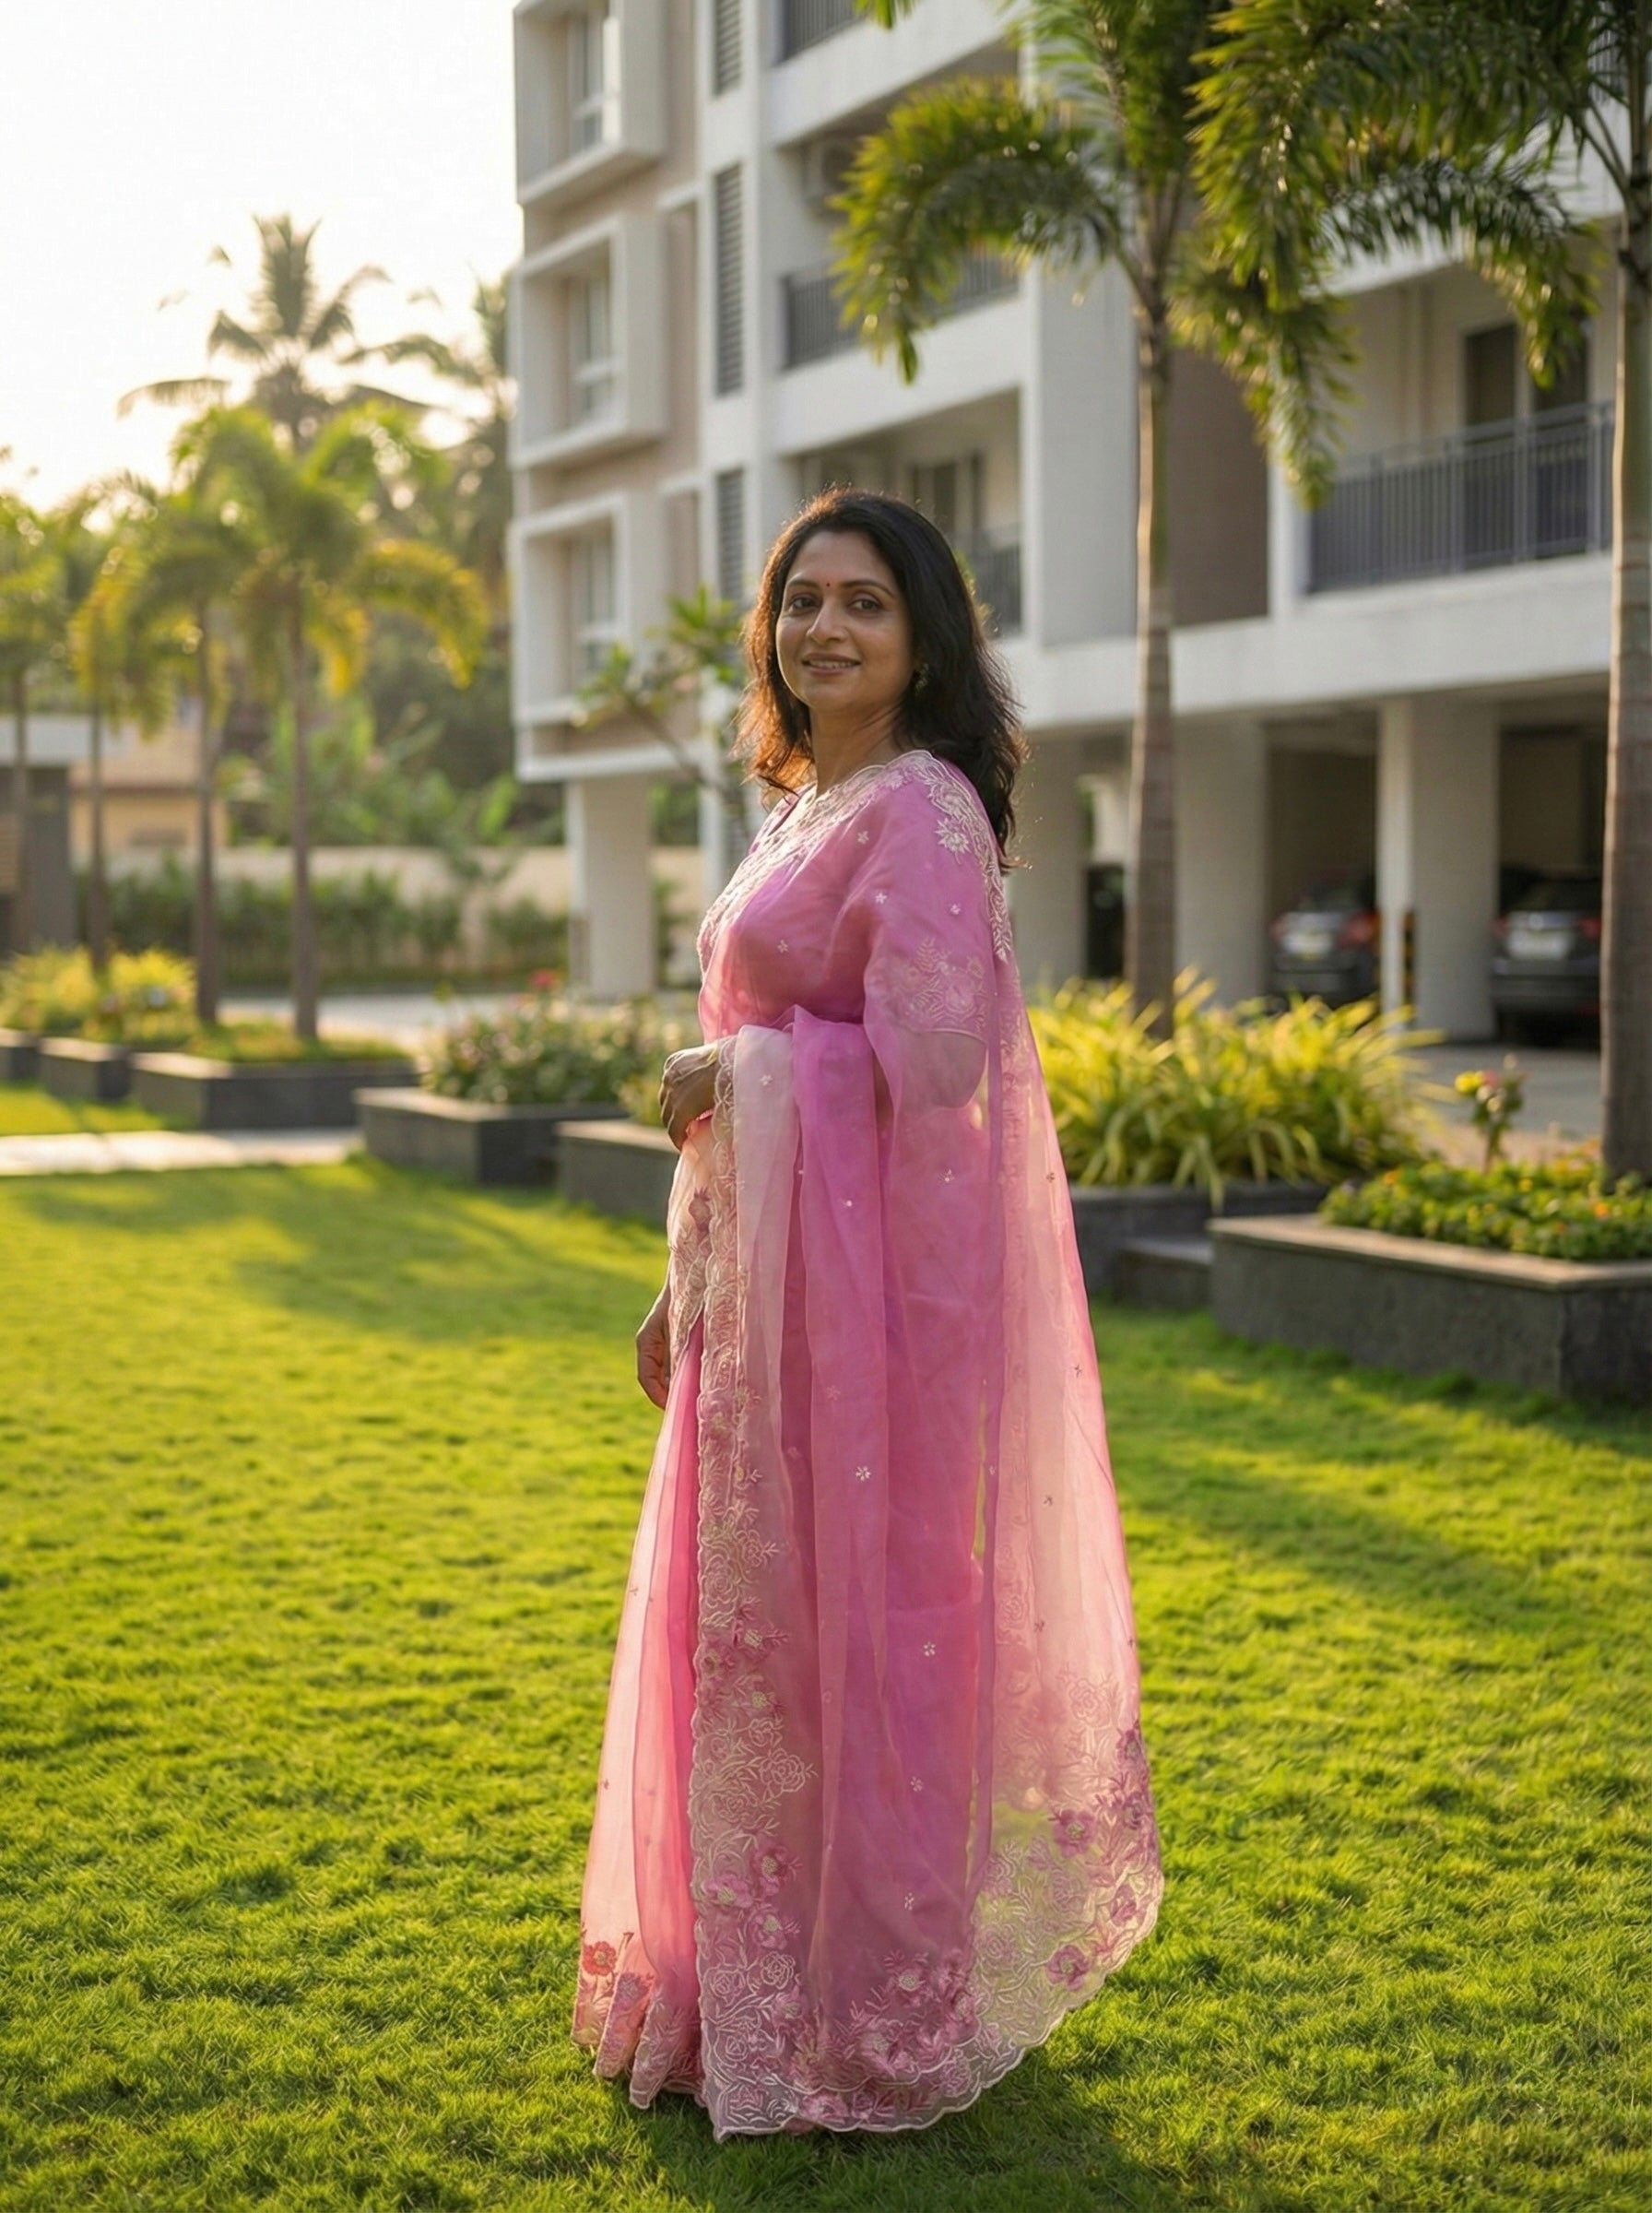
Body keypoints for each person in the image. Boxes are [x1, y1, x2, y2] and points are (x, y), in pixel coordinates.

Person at [572, 489, 1161, 2137]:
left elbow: (940, 1068)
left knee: (872, 1653)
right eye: (802, 600)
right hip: (762, 1316)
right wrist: (676, 1293)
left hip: (874, 1322)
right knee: (753, 1653)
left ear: (926, 642)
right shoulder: (806, 805)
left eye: (866, 606)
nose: (824, 628)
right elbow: (770, 1088)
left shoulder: (921, 810)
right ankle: (742, 1991)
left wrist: (736, 1069)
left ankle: (864, 2020)